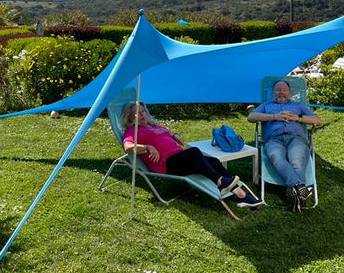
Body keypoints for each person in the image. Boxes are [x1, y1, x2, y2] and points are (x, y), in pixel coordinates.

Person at [121, 102, 264, 209]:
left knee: (213, 161)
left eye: (143, 111)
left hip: (179, 157)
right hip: (165, 164)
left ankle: (240, 195)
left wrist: (174, 135)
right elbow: (128, 147)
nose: (142, 115)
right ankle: (221, 183)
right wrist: (147, 147)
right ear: (130, 119)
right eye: (137, 114)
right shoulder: (132, 131)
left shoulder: (153, 126)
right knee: (194, 152)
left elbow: (164, 134)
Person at [247, 79, 322, 212]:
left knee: (297, 161)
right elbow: (251, 117)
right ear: (273, 93)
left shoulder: (299, 106)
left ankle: (296, 195)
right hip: (274, 140)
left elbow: (317, 120)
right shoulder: (266, 106)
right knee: (277, 158)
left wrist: (297, 118)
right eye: (278, 90)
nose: (281, 92)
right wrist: (274, 116)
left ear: (289, 92)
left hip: (296, 139)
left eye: (284, 90)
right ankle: (300, 190)